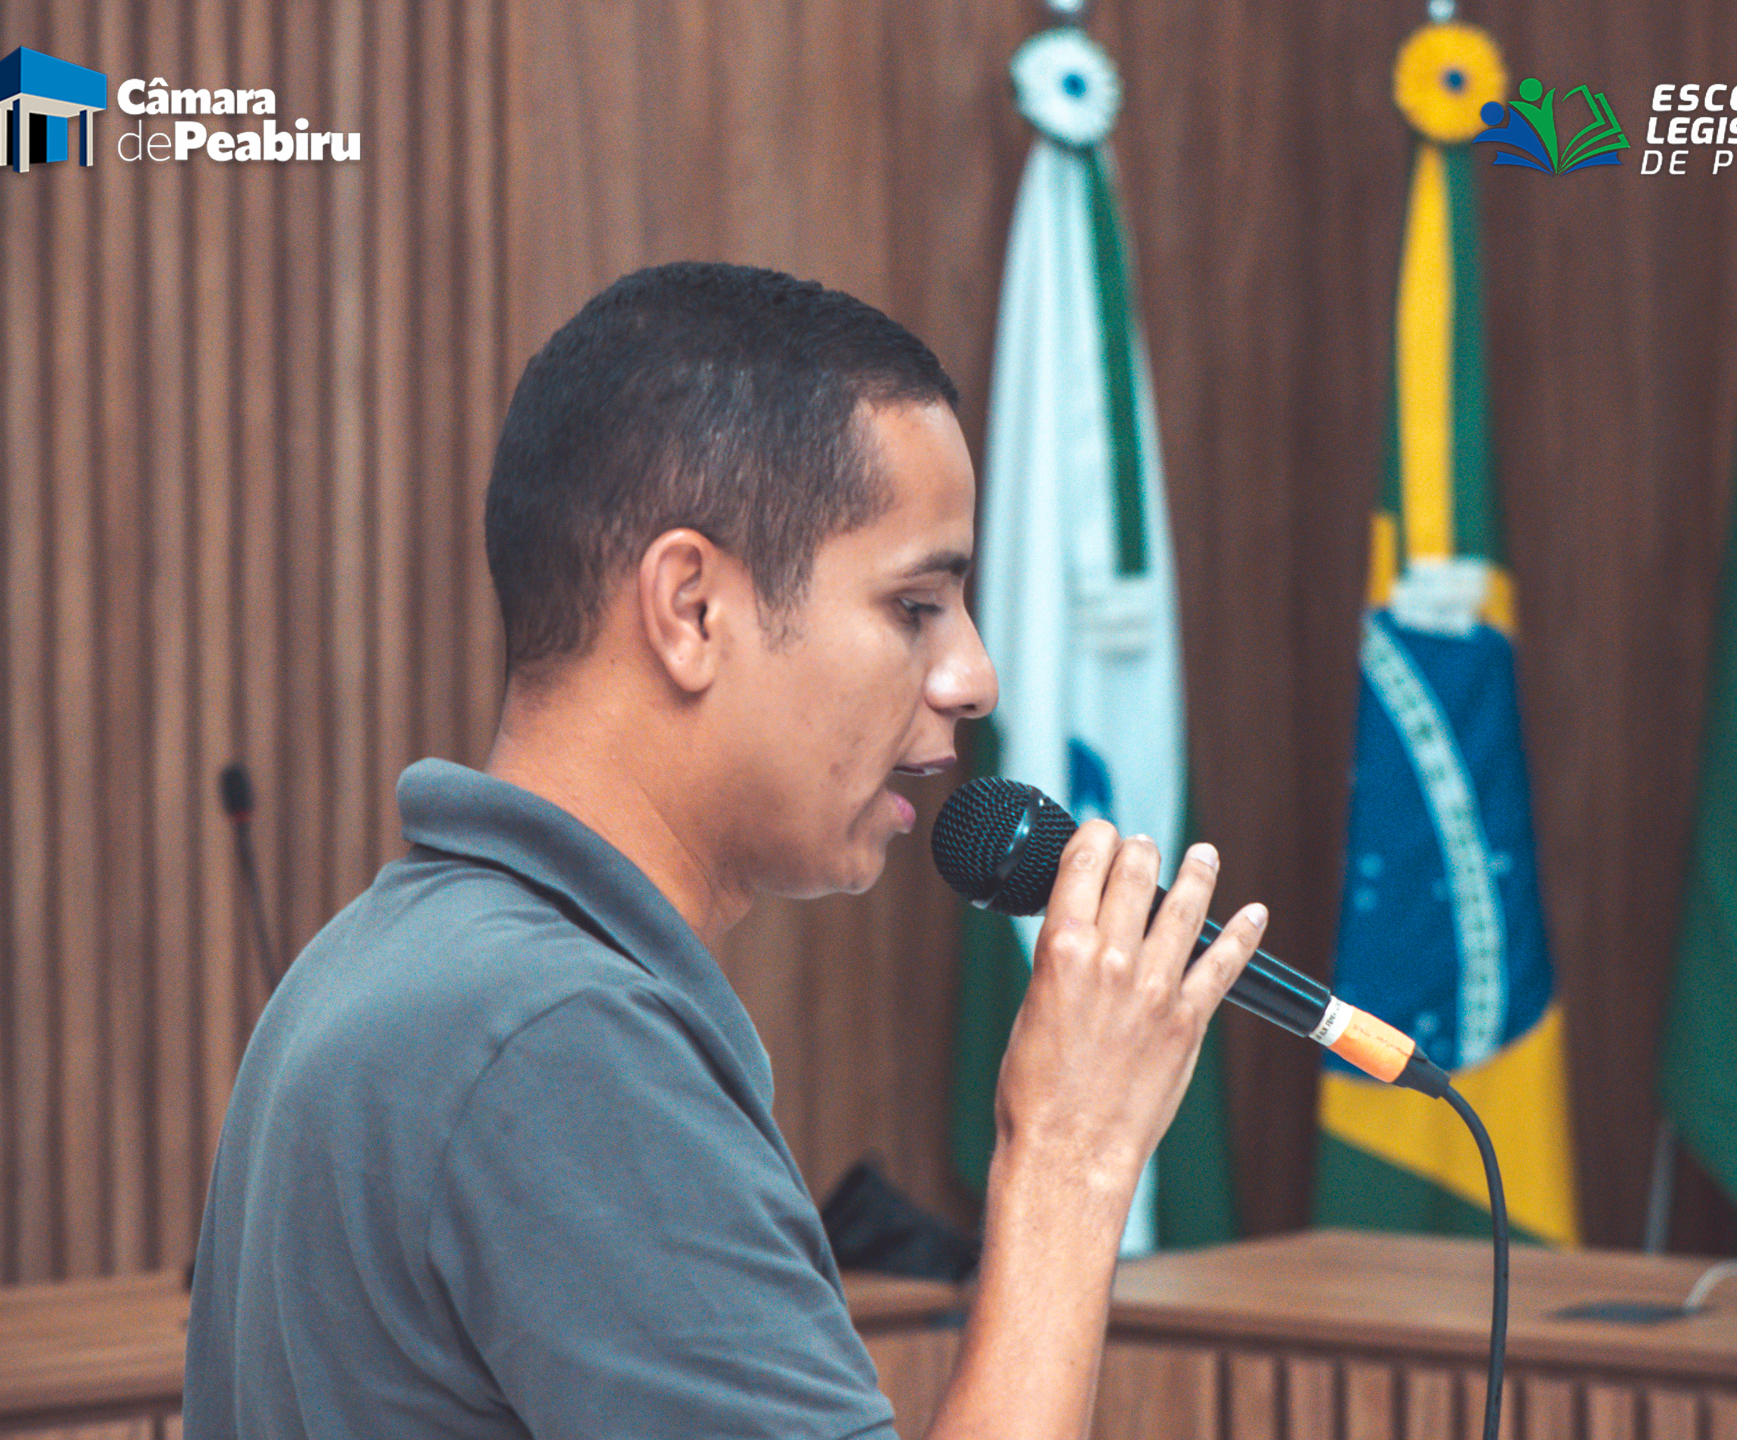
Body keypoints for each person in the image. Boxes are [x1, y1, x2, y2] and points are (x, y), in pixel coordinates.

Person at [183, 261, 1267, 1438]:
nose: (973, 678)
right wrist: (1070, 1159)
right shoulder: (559, 1041)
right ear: (691, 609)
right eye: (915, 607)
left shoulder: (378, 961)